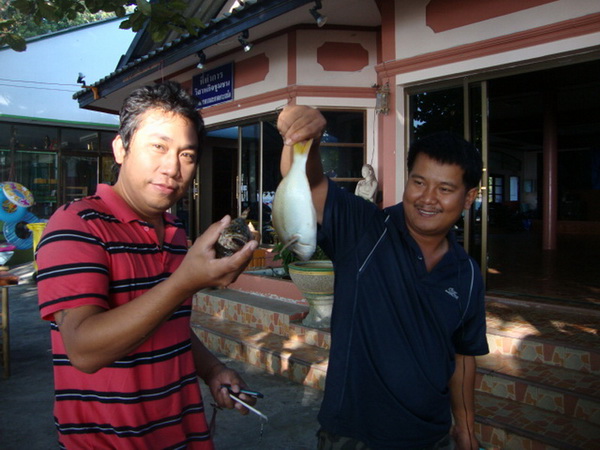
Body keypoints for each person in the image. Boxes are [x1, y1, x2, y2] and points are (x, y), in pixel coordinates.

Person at [36, 81, 258, 449]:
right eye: (158, 146)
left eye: (187, 155)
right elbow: (83, 350)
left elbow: (164, 325)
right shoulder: (77, 224)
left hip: (185, 435)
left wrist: (212, 370)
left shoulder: (173, 230)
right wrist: (185, 282)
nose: (172, 167)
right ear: (121, 149)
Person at [277, 106, 489, 449]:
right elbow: (307, 182)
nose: (427, 198)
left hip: (431, 437)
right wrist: (307, 137)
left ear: (469, 198)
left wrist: (464, 428)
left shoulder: (467, 274)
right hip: (355, 436)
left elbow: (464, 356)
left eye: (444, 189)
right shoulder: (363, 230)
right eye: (418, 182)